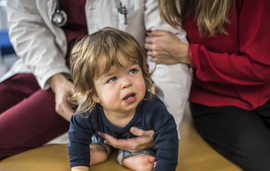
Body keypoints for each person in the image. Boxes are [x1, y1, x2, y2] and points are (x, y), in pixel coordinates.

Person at [0, 0, 191, 160]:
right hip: (45, 66)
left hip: (99, 88)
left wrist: (162, 127)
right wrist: (55, 77)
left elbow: (168, 53)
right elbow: (26, 23)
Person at [144, 0, 270, 171]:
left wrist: (190, 54)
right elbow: (161, 60)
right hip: (214, 102)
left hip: (264, 92)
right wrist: (159, 126)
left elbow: (261, 66)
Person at [62, 27, 179, 171]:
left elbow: (168, 137)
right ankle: (100, 149)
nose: (126, 83)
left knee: (148, 160)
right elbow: (77, 136)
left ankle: (128, 157)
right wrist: (79, 169)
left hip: (137, 140)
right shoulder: (88, 111)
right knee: (87, 146)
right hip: (103, 135)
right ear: (95, 94)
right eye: (112, 79)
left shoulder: (153, 108)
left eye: (132, 71)